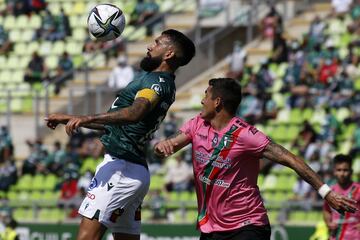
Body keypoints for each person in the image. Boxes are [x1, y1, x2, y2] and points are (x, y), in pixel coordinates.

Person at [154, 78, 358, 240]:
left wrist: (326, 192)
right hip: (212, 227)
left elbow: (290, 159)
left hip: (247, 226)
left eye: (206, 95)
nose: (201, 100)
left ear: (217, 102)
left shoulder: (245, 135)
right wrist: (163, 145)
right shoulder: (197, 123)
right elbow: (174, 143)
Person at [45, 29, 195, 240]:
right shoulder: (160, 81)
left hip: (120, 170)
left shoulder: (156, 83)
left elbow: (134, 113)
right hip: (134, 169)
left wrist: (86, 118)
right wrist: (70, 118)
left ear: (169, 53)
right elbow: (120, 122)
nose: (150, 46)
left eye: (157, 42)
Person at [323, 154, 360, 240]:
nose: (342, 173)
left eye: (345, 170)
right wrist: (328, 223)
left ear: (351, 171)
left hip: (355, 236)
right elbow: (326, 210)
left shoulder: (358, 189)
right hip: (335, 236)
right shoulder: (330, 192)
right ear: (334, 171)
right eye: (339, 170)